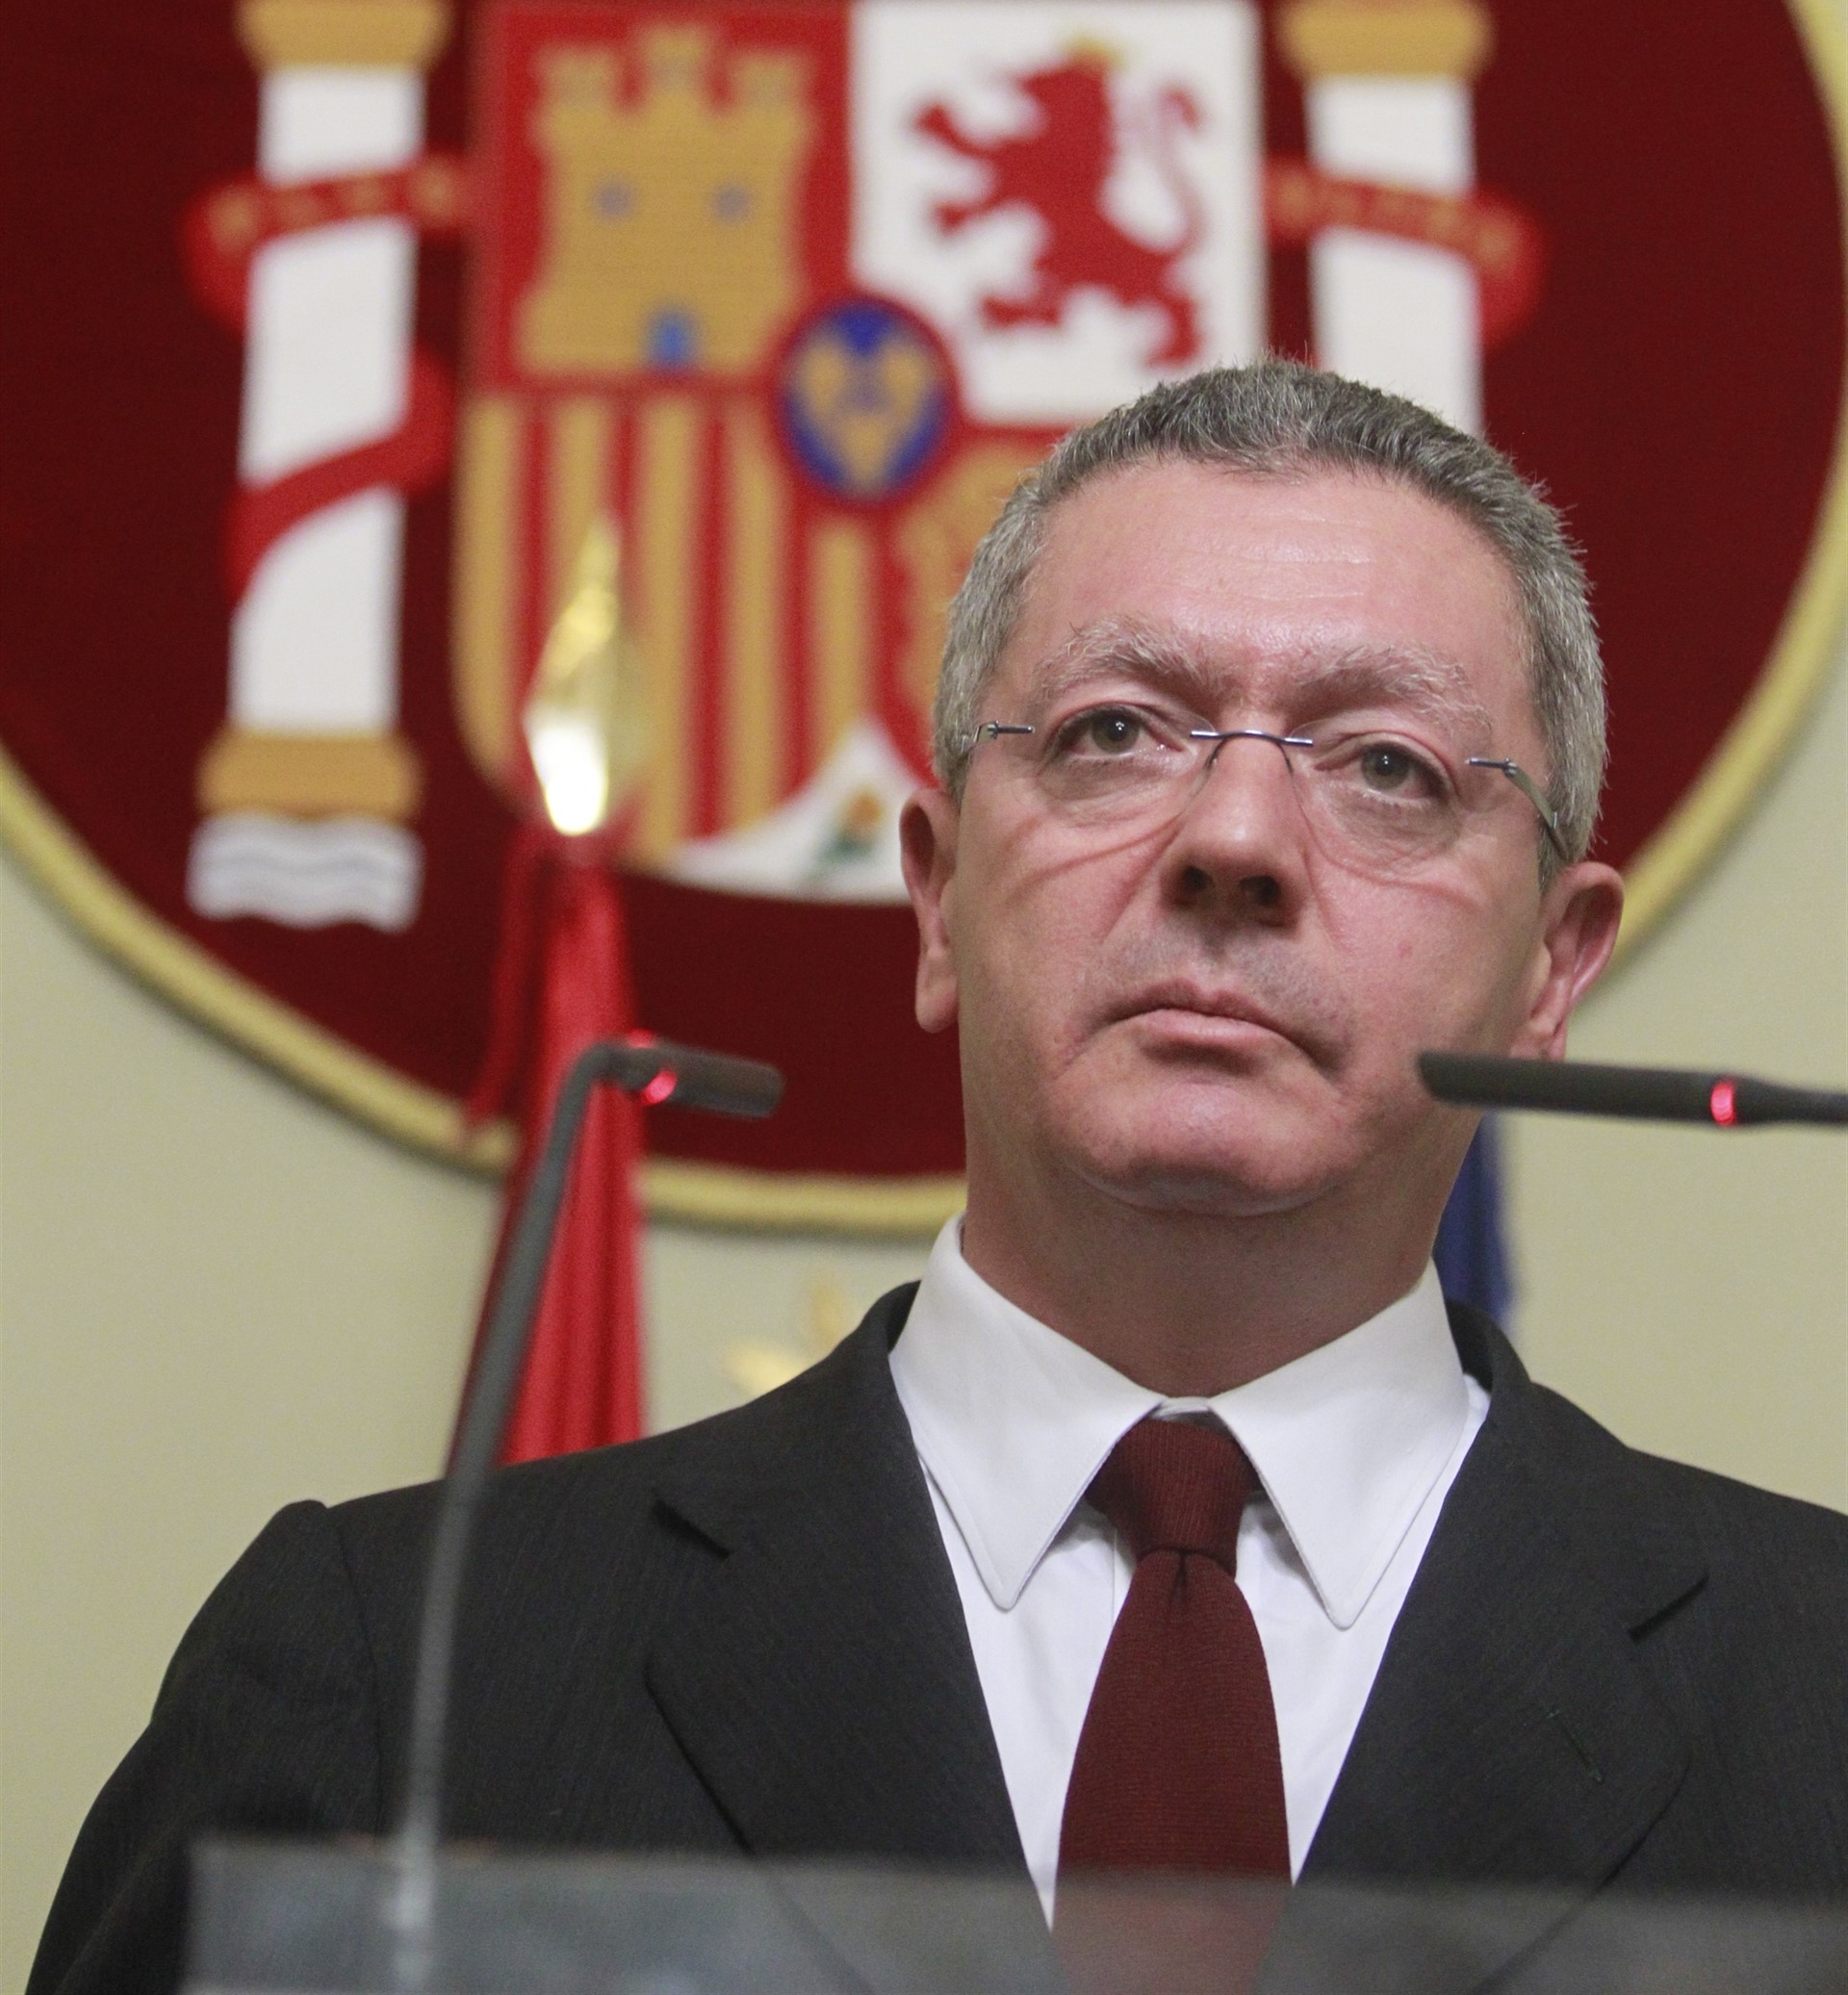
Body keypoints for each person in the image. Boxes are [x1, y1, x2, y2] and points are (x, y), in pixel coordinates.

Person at [30, 365, 1848, 1993]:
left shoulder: (1820, 1691)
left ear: (1553, 972)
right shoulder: (388, 1670)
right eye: (1115, 731)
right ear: (936, 897)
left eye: (1386, 765)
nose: (1234, 838)